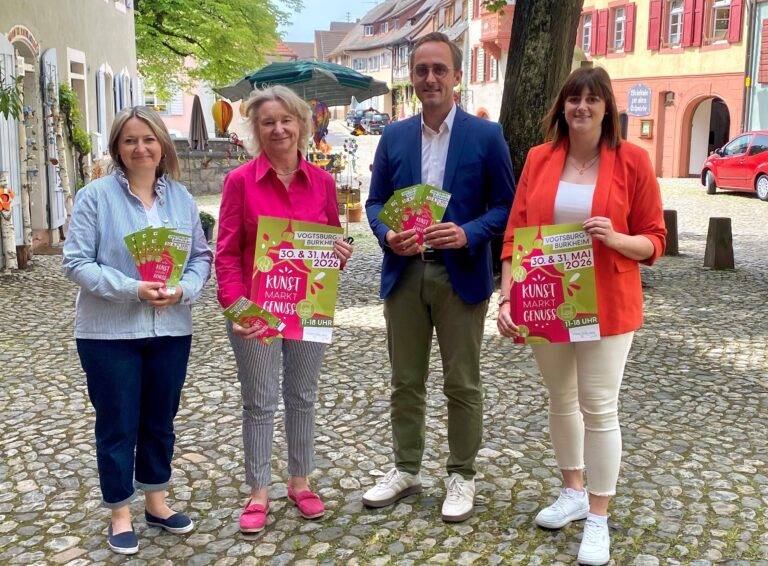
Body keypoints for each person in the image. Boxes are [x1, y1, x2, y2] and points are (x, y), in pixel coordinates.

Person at [497, 67, 666, 565]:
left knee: (599, 406)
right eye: (574, 99)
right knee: (560, 400)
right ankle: (572, 491)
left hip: (609, 302)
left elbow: (655, 240)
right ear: (562, 107)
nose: (582, 108)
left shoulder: (632, 160)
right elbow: (514, 235)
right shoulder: (539, 158)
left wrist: (615, 238)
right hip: (548, 299)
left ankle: (598, 516)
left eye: (593, 100)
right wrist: (507, 299)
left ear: (607, 108)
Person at [363, 32, 515, 522]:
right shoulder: (393, 136)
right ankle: (407, 468)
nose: (430, 78)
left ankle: (461, 474)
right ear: (413, 76)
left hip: (460, 276)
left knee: (462, 383)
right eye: (422, 70)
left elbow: (507, 207)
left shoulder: (485, 136)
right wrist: (387, 235)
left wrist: (469, 233)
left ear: (457, 76)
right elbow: (374, 204)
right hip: (405, 273)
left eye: (440, 70)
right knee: (405, 381)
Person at [63, 106, 212, 555]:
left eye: (148, 139)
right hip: (108, 333)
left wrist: (185, 289)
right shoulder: (95, 197)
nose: (140, 147)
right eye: (130, 140)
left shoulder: (182, 199)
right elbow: (75, 262)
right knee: (117, 423)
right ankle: (120, 512)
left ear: (163, 144)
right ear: (117, 148)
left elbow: (201, 257)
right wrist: (133, 288)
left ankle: (157, 501)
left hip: (170, 327)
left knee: (160, 419)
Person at [216, 85, 354, 534]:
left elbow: (333, 240)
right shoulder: (240, 182)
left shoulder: (324, 183)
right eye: (268, 122)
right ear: (256, 130)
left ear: (301, 124)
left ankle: (300, 480)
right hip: (258, 308)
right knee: (258, 401)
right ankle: (258, 489)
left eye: (286, 120)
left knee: (303, 396)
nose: (278, 129)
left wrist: (339, 251)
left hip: (308, 306)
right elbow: (227, 252)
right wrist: (237, 308)